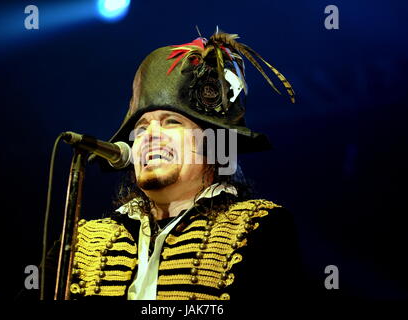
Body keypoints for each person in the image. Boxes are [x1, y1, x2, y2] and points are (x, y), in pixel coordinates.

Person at [60, 30, 304, 301]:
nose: (150, 135)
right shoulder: (84, 243)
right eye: (140, 128)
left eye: (171, 122)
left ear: (213, 145)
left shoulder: (261, 230)